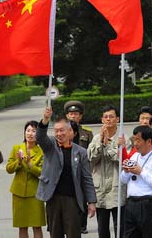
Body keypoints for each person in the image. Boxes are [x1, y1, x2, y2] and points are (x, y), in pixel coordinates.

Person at [36, 107, 96, 238]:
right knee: (55, 233)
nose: (59, 134)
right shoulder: (51, 146)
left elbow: (86, 178)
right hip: (53, 199)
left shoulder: (81, 152)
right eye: (56, 131)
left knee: (73, 233)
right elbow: (40, 137)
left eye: (61, 130)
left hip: (73, 200)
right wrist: (45, 120)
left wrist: (91, 201)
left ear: (70, 132)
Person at [120, 125, 152, 238]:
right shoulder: (134, 156)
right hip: (131, 204)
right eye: (134, 139)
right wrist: (126, 172)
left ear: (149, 141)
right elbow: (123, 180)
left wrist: (141, 171)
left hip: (149, 205)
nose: (135, 143)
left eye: (138, 140)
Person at [87, 105, 126, 238]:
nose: (108, 119)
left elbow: (121, 159)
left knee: (119, 226)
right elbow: (91, 158)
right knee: (102, 228)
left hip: (117, 188)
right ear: (102, 119)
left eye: (111, 116)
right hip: (100, 189)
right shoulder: (96, 138)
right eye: (106, 117)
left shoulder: (122, 139)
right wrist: (101, 143)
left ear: (117, 119)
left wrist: (108, 145)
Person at [6, 120, 45, 238]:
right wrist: (18, 162)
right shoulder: (17, 148)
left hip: (35, 193)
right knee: (22, 226)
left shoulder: (42, 151)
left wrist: (29, 164)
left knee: (37, 225)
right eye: (28, 130)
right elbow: (9, 169)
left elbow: (41, 173)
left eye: (34, 131)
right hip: (18, 193)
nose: (30, 134)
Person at [64, 100, 93, 234]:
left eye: (76, 114)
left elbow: (91, 151)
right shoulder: (62, 132)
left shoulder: (86, 133)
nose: (73, 116)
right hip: (67, 169)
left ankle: (82, 224)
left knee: (83, 196)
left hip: (82, 169)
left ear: (80, 116)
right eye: (71, 114)